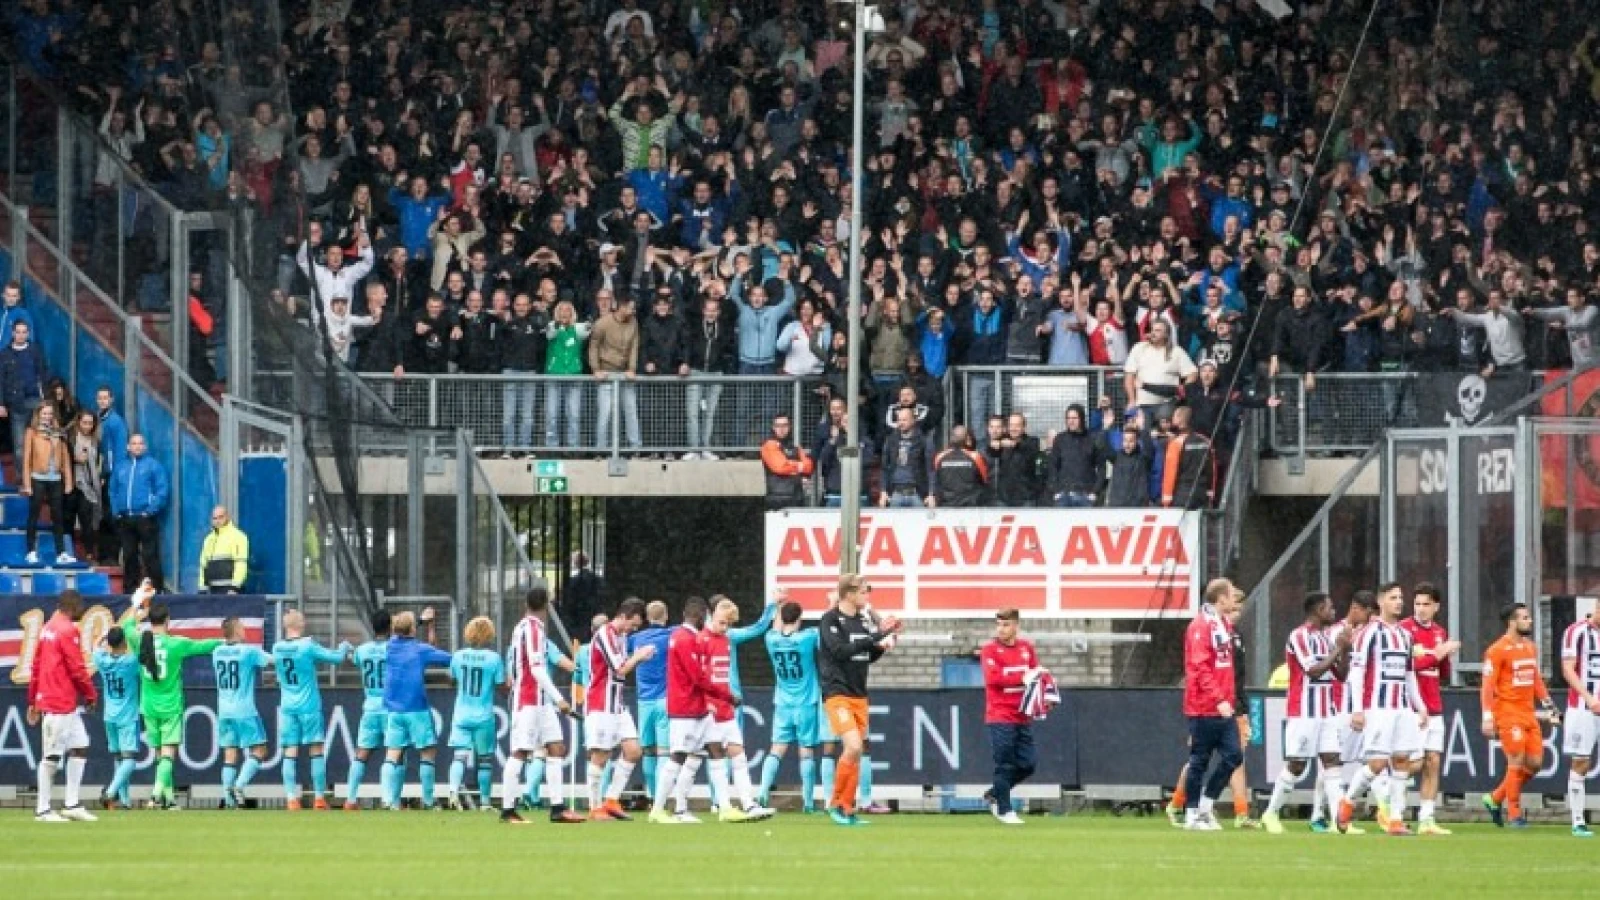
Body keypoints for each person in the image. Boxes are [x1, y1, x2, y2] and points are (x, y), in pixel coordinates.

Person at [1337, 583, 1428, 837]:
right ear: (1381, 602)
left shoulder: (1405, 636)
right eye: (1393, 598)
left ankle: (1396, 820)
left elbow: (1410, 675)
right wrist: (1357, 709)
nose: (1399, 602)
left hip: (1402, 708)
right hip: (1378, 709)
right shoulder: (1370, 633)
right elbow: (1357, 672)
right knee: (1376, 763)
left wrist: (1419, 707)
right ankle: (1348, 801)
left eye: (1401, 597)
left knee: (1402, 762)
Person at [819, 574, 903, 825]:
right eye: (864, 591)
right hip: (837, 693)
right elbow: (840, 651)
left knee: (854, 753)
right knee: (854, 746)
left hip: (859, 694)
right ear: (848, 594)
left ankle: (847, 807)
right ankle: (835, 804)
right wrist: (877, 635)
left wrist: (883, 646)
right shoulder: (830, 619)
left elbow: (864, 656)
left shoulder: (862, 622)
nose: (867, 596)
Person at [1261, 593, 1346, 834]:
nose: (1333, 611)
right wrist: (1337, 649)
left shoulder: (1326, 638)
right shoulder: (1299, 636)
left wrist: (1345, 650)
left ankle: (1339, 821)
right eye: (1330, 607)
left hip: (1327, 710)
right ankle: (1271, 813)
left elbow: (1341, 675)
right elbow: (1313, 671)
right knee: (1297, 765)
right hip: (1304, 711)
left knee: (1332, 761)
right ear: (1319, 609)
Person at [650, 595, 737, 824]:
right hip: (685, 709)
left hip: (698, 708)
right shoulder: (684, 639)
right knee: (678, 757)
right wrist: (726, 696)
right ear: (700, 616)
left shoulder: (686, 637)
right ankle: (658, 809)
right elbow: (697, 677)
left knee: (717, 750)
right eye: (707, 616)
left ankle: (725, 807)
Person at [130, 586, 220, 809]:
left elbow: (125, 627)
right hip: (170, 705)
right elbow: (204, 646)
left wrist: (136, 606)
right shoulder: (176, 644)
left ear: (150, 620)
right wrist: (224, 640)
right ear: (168, 621)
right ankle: (155, 795)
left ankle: (168, 801)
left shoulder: (140, 640)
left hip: (148, 705)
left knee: (160, 754)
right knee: (169, 753)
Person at [500, 587, 580, 825]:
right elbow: (536, 669)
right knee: (521, 752)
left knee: (556, 748)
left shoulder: (523, 628)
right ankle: (508, 810)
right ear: (547, 605)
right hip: (528, 700)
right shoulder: (532, 629)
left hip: (540, 701)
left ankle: (557, 808)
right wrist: (559, 698)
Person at [1480, 602, 1558, 830]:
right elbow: (1487, 686)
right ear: (1512, 622)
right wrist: (1487, 716)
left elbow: (1535, 679)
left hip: (1528, 713)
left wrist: (1549, 705)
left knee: (1534, 764)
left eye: (1528, 617)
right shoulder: (1496, 651)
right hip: (1507, 713)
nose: (1529, 621)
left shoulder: (1530, 648)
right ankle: (1515, 814)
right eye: (1524, 618)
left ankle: (1494, 798)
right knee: (1515, 761)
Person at [699, 597, 776, 821]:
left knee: (737, 754)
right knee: (695, 758)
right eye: (722, 623)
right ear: (711, 615)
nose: (725, 628)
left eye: (729, 624)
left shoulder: (726, 639)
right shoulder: (701, 640)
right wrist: (706, 702)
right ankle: (716, 804)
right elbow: (699, 676)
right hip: (709, 707)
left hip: (727, 705)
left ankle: (747, 804)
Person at [27, 591, 98, 822]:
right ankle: (43, 809)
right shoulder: (67, 630)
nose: (82, 612)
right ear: (73, 605)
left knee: (80, 746)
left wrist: (33, 700)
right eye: (80, 607)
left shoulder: (48, 627)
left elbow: (36, 665)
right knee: (51, 757)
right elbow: (77, 668)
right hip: (58, 701)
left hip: (59, 700)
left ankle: (72, 804)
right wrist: (90, 693)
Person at [1179, 578, 1242, 831]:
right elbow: (1199, 667)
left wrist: (1229, 699)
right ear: (1220, 598)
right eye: (1231, 595)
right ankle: (1191, 812)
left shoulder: (1223, 624)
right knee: (1199, 760)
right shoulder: (1200, 626)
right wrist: (1218, 699)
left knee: (1233, 756)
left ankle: (1206, 805)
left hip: (1224, 705)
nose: (1234, 599)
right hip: (1203, 706)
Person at [583, 599, 655, 820]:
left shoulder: (621, 636)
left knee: (634, 751)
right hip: (601, 702)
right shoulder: (605, 634)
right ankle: (595, 808)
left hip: (617, 703)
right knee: (601, 755)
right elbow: (620, 669)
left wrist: (636, 658)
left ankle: (612, 800)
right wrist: (639, 656)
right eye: (632, 625)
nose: (632, 630)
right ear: (623, 616)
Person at [272, 609, 351, 810]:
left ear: (285, 626)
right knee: (315, 750)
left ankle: (291, 798)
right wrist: (344, 647)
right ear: (301, 624)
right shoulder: (307, 645)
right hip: (309, 705)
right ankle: (318, 798)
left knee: (290, 751)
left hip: (288, 706)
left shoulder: (277, 648)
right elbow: (335, 658)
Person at [1399, 584, 1460, 835]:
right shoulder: (1404, 630)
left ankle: (1426, 819)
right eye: (1417, 604)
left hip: (1434, 704)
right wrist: (1437, 654)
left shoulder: (1439, 632)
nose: (1421, 609)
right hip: (1413, 707)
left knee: (1433, 762)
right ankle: (1393, 808)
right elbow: (1407, 665)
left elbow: (1441, 673)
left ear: (1436, 607)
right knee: (1413, 763)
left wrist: (1446, 657)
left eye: (1426, 604)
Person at [380, 609, 452, 811]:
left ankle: (388, 800)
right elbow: (446, 658)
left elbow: (400, 632)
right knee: (427, 753)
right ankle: (428, 801)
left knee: (392, 753)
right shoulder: (420, 650)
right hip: (416, 708)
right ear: (413, 629)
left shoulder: (390, 646)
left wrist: (421, 622)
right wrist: (429, 625)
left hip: (393, 709)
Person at [759, 600, 824, 811]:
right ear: (799, 619)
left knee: (776, 748)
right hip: (806, 702)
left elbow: (776, 628)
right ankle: (807, 801)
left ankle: (762, 791)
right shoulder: (807, 637)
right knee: (806, 751)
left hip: (783, 702)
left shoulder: (771, 639)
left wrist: (777, 606)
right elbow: (827, 630)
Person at [981, 608, 1040, 826]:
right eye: (998, 624)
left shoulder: (1026, 648)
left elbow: (1036, 677)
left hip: (1022, 714)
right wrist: (1022, 677)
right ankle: (1005, 809)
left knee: (1028, 764)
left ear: (1016, 626)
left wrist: (1045, 697)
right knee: (1005, 764)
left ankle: (996, 792)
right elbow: (993, 679)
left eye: (1006, 625)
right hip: (1000, 715)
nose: (1001, 629)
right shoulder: (990, 650)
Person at [212, 615, 273, 809]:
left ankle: (229, 802)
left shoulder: (217, 652)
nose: (245, 630)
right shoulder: (248, 652)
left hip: (224, 711)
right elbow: (271, 661)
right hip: (245, 710)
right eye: (243, 627)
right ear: (237, 631)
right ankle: (239, 786)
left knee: (230, 754)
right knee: (260, 750)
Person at [446, 617, 506, 811]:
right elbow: (500, 686)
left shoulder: (458, 656)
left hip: (461, 714)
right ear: (489, 634)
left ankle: (453, 791)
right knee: (485, 760)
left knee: (459, 756)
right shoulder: (494, 658)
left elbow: (452, 681)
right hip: (483, 715)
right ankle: (485, 803)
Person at [344, 610, 392, 810]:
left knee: (361, 753)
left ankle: (350, 799)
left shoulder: (363, 650)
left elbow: (352, 658)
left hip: (370, 706)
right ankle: (390, 800)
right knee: (394, 753)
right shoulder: (393, 649)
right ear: (390, 627)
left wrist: (347, 649)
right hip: (391, 707)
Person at [1560, 602, 1600, 838]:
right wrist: (1589, 697)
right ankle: (1577, 820)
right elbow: (1567, 669)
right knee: (1581, 762)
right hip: (1583, 708)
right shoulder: (1576, 631)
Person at [109, 433, 169, 592]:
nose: (137, 446)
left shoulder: (153, 466)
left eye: (140, 443)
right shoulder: (120, 467)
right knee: (129, 556)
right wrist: (116, 512)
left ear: (145, 446)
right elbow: (112, 490)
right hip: (125, 518)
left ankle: (157, 589)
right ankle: (129, 591)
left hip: (145, 518)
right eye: (134, 443)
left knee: (150, 556)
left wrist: (149, 511)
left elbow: (162, 491)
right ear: (128, 446)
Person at [629, 600, 675, 804]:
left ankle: (652, 795)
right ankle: (661, 801)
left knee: (647, 750)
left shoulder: (634, 639)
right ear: (666, 616)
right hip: (664, 699)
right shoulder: (671, 635)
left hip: (644, 701)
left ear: (647, 618)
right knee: (664, 750)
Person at [92, 622, 141, 810]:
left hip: (109, 716)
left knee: (120, 759)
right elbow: (141, 652)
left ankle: (125, 800)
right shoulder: (130, 662)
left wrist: (104, 634)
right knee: (129, 760)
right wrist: (133, 634)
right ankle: (111, 792)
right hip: (127, 716)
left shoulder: (103, 660)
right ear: (124, 642)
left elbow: (95, 647)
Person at [20, 404, 76, 565]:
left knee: (58, 516)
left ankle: (61, 553)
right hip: (37, 477)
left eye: (50, 413)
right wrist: (27, 484)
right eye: (44, 413)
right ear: (39, 414)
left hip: (56, 478)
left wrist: (68, 481)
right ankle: (30, 551)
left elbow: (65, 457)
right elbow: (26, 459)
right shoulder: (32, 431)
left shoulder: (58, 432)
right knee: (34, 514)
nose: (47, 416)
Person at [0, 320, 49, 467]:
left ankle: (38, 476)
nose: (21, 335)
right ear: (13, 333)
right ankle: (22, 480)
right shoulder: (4, 354)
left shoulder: (35, 351)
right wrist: (1, 403)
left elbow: (43, 374)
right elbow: (1, 380)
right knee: (20, 445)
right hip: (16, 404)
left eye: (24, 332)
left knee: (40, 442)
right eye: (18, 332)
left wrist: (45, 399)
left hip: (35, 402)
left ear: (28, 333)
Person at [1046, 404, 1104, 508]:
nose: (1071, 421)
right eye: (1068, 418)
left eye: (1074, 418)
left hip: (1086, 495)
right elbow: (1052, 466)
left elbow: (1101, 468)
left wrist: (1095, 492)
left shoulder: (1092, 439)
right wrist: (1056, 491)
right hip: (1064, 496)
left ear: (1081, 419)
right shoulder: (1060, 439)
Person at [878, 405, 935, 508]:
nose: (901, 423)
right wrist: (883, 491)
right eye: (899, 420)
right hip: (895, 492)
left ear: (913, 421)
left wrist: (931, 494)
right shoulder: (891, 440)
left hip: (917, 493)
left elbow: (930, 469)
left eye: (904, 420)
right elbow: (884, 468)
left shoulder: (924, 441)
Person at [66, 411, 102, 565]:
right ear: (78, 422)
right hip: (71, 484)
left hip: (89, 486)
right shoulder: (70, 438)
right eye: (84, 422)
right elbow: (63, 460)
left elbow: (99, 462)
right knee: (67, 519)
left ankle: (88, 553)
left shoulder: (96, 441)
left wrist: (100, 477)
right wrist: (75, 460)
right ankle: (67, 552)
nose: (87, 426)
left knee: (87, 520)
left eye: (90, 423)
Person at [761, 414, 813, 509]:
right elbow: (780, 467)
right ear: (773, 427)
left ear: (789, 427)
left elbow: (809, 467)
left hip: (797, 497)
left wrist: (789, 465)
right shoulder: (769, 445)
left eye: (785, 425)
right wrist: (799, 466)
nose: (781, 429)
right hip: (777, 499)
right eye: (778, 426)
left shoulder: (795, 447)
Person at [932, 425, 989, 508]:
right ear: (967, 439)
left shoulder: (939, 457)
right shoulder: (976, 457)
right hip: (970, 506)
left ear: (951, 438)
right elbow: (985, 480)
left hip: (947, 505)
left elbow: (935, 480)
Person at [199, 506, 250, 593]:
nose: (217, 521)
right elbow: (203, 565)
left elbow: (241, 563)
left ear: (227, 517)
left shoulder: (239, 537)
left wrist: (235, 587)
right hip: (212, 591)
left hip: (231, 591)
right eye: (215, 518)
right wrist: (202, 588)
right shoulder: (208, 539)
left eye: (221, 517)